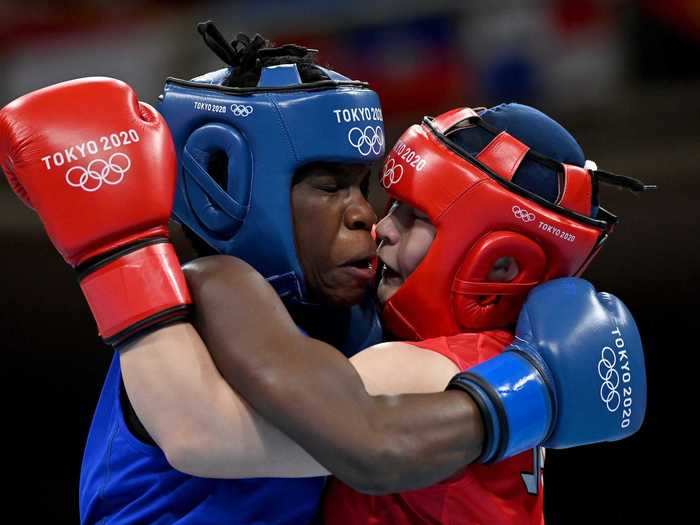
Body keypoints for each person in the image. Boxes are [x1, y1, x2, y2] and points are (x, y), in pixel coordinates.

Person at [0, 24, 648, 525]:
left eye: (405, 210)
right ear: (232, 183)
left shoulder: (428, 360)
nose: (372, 220)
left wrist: (116, 252)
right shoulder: (228, 295)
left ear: (498, 260)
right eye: (331, 185)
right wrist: (534, 395)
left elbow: (215, 432)